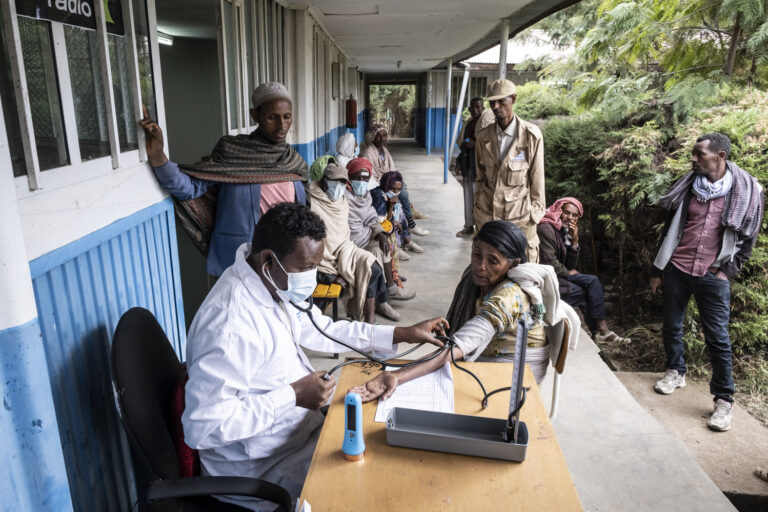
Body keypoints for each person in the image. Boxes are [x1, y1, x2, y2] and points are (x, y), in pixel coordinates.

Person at [181, 202, 448, 511]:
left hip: (297, 438)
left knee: (391, 453)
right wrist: (293, 395)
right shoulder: (232, 324)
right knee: (378, 490)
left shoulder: (268, 281)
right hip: (261, 470)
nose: (312, 278)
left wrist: (401, 333)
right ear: (269, 259)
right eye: (306, 268)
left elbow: (323, 329)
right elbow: (202, 428)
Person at [352, 221, 580, 402]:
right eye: (477, 254)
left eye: (493, 261)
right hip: (493, 358)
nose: (480, 266)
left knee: (430, 385)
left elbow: (459, 346)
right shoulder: (479, 278)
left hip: (515, 375)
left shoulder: (510, 296)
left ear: (514, 263)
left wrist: (395, 376)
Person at [650, 132, 764, 432]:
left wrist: (727, 271)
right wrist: (657, 269)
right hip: (677, 267)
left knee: (718, 339)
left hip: (713, 275)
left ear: (720, 156)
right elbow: (670, 230)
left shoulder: (748, 190)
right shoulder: (688, 187)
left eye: (699, 153)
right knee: (671, 326)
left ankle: (724, 401)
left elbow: (749, 238)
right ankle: (676, 371)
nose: (694, 158)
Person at [140, 82, 308, 281]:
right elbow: (190, 188)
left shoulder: (292, 160)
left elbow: (303, 212)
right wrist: (159, 158)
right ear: (255, 116)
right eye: (273, 117)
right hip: (237, 264)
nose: (282, 125)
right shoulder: (232, 152)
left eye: (287, 117)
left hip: (283, 262)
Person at [538, 197, 630, 343]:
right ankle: (602, 331)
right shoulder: (546, 229)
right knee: (592, 281)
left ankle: (598, 332)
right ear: (558, 211)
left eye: (575, 215)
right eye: (566, 213)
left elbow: (570, 263)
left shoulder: (566, 231)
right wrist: (568, 273)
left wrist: (574, 241)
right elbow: (550, 261)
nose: (570, 218)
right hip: (545, 279)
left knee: (584, 292)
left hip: (558, 276)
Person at [310, 162, 392, 323]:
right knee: (345, 276)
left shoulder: (341, 201)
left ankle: (369, 322)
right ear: (325, 181)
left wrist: (381, 234)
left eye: (342, 182)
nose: (339, 186)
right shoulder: (312, 200)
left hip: (344, 250)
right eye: (335, 182)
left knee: (373, 267)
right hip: (322, 259)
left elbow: (343, 236)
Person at [473, 79, 545, 262]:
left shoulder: (531, 136)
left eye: (502, 101)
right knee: (486, 273)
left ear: (513, 99)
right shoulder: (483, 136)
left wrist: (533, 217)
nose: (496, 106)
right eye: (492, 102)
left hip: (519, 219)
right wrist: (477, 205)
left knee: (522, 275)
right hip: (488, 217)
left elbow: (537, 180)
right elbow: (480, 176)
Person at [345, 158, 415, 316]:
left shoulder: (365, 196)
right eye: (357, 178)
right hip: (352, 244)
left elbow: (371, 219)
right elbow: (353, 229)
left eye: (365, 178)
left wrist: (381, 234)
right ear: (349, 178)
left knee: (384, 245)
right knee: (375, 256)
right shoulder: (345, 198)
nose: (361, 182)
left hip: (366, 238)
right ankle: (382, 301)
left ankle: (389, 291)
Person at [361, 124, 430, 235]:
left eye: (384, 136)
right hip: (377, 184)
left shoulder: (384, 151)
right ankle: (411, 224)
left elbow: (392, 169)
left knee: (402, 185)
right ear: (373, 137)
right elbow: (370, 175)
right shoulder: (368, 152)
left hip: (386, 181)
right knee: (401, 193)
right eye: (379, 136)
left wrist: (393, 180)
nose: (382, 138)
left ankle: (409, 223)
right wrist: (387, 182)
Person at [370, 171, 424, 257]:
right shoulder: (379, 197)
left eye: (399, 189)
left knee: (400, 211)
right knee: (394, 220)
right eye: (393, 188)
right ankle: (394, 247)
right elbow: (382, 223)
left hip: (384, 221)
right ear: (386, 186)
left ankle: (407, 241)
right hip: (375, 228)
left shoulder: (389, 195)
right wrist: (391, 209)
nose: (396, 192)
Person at [456, 97, 484, 238]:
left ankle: (480, 230)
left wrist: (476, 144)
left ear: (483, 108)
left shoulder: (487, 125)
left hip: (479, 170)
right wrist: (459, 162)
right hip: (468, 167)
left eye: (478, 107)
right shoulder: (469, 124)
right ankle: (468, 226)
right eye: (472, 108)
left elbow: (490, 146)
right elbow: (463, 141)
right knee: (468, 198)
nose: (475, 110)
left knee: (479, 200)